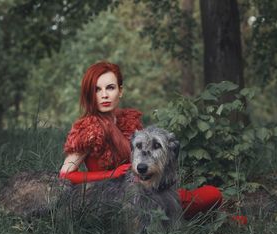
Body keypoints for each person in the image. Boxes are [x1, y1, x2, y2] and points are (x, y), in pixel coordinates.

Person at [59, 61, 222, 219]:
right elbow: (66, 175)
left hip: (150, 188)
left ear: (120, 91)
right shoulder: (88, 128)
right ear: (90, 94)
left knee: (212, 194)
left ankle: (185, 215)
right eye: (97, 90)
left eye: (110, 87)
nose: (104, 95)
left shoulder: (130, 122)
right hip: (113, 196)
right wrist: (111, 174)